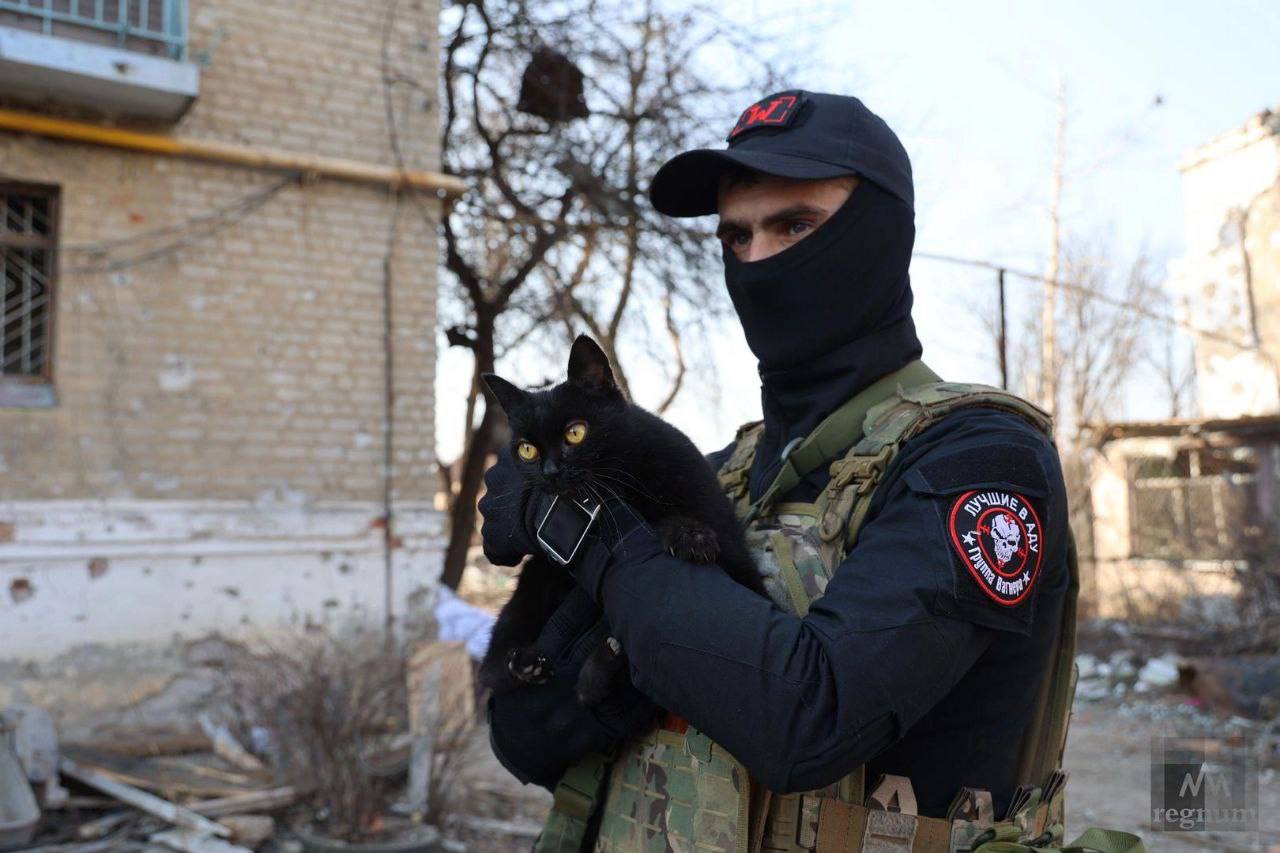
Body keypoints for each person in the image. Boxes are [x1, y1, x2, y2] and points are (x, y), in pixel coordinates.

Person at [478, 90, 1084, 852]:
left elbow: (811, 719)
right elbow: (524, 737)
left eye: (795, 225)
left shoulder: (980, 463)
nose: (759, 262)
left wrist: (583, 527)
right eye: (737, 236)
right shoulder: (719, 478)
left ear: (881, 235)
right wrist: (561, 703)